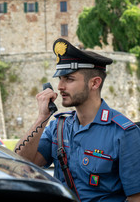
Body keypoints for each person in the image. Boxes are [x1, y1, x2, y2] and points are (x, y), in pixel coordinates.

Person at [15, 38, 140, 201]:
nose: (60, 86)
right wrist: (42, 118)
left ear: (94, 83)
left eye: (69, 79)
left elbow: (136, 197)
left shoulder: (123, 133)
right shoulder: (57, 128)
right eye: (60, 79)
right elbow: (20, 166)